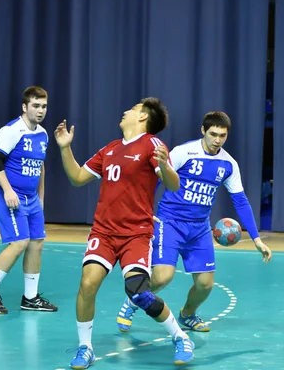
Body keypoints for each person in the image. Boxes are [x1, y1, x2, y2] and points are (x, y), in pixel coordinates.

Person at [54, 98, 195, 369]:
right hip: (104, 231)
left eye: (132, 109)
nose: (125, 111)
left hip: (135, 233)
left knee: (138, 292)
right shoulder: (110, 149)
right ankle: (86, 348)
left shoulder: (152, 145)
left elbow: (174, 185)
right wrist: (65, 148)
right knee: (87, 284)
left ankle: (179, 336)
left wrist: (165, 166)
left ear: (143, 117)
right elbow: (77, 178)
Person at [116, 111, 272, 334]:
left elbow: (240, 200)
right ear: (203, 131)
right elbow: (156, 178)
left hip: (199, 228)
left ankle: (187, 314)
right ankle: (132, 301)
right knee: (162, 277)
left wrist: (256, 239)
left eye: (223, 135)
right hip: (170, 222)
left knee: (205, 285)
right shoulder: (184, 152)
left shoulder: (228, 164)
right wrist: (145, 209)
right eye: (213, 134)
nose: (217, 140)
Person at [0, 86, 58, 314]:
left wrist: (41, 197)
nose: (41, 110)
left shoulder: (43, 134)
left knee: (37, 242)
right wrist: (8, 190)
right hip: (10, 196)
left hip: (31, 198)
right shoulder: (11, 131)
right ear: (25, 107)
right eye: (36, 106)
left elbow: (41, 166)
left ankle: (30, 298)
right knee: (19, 242)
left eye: (44, 106)